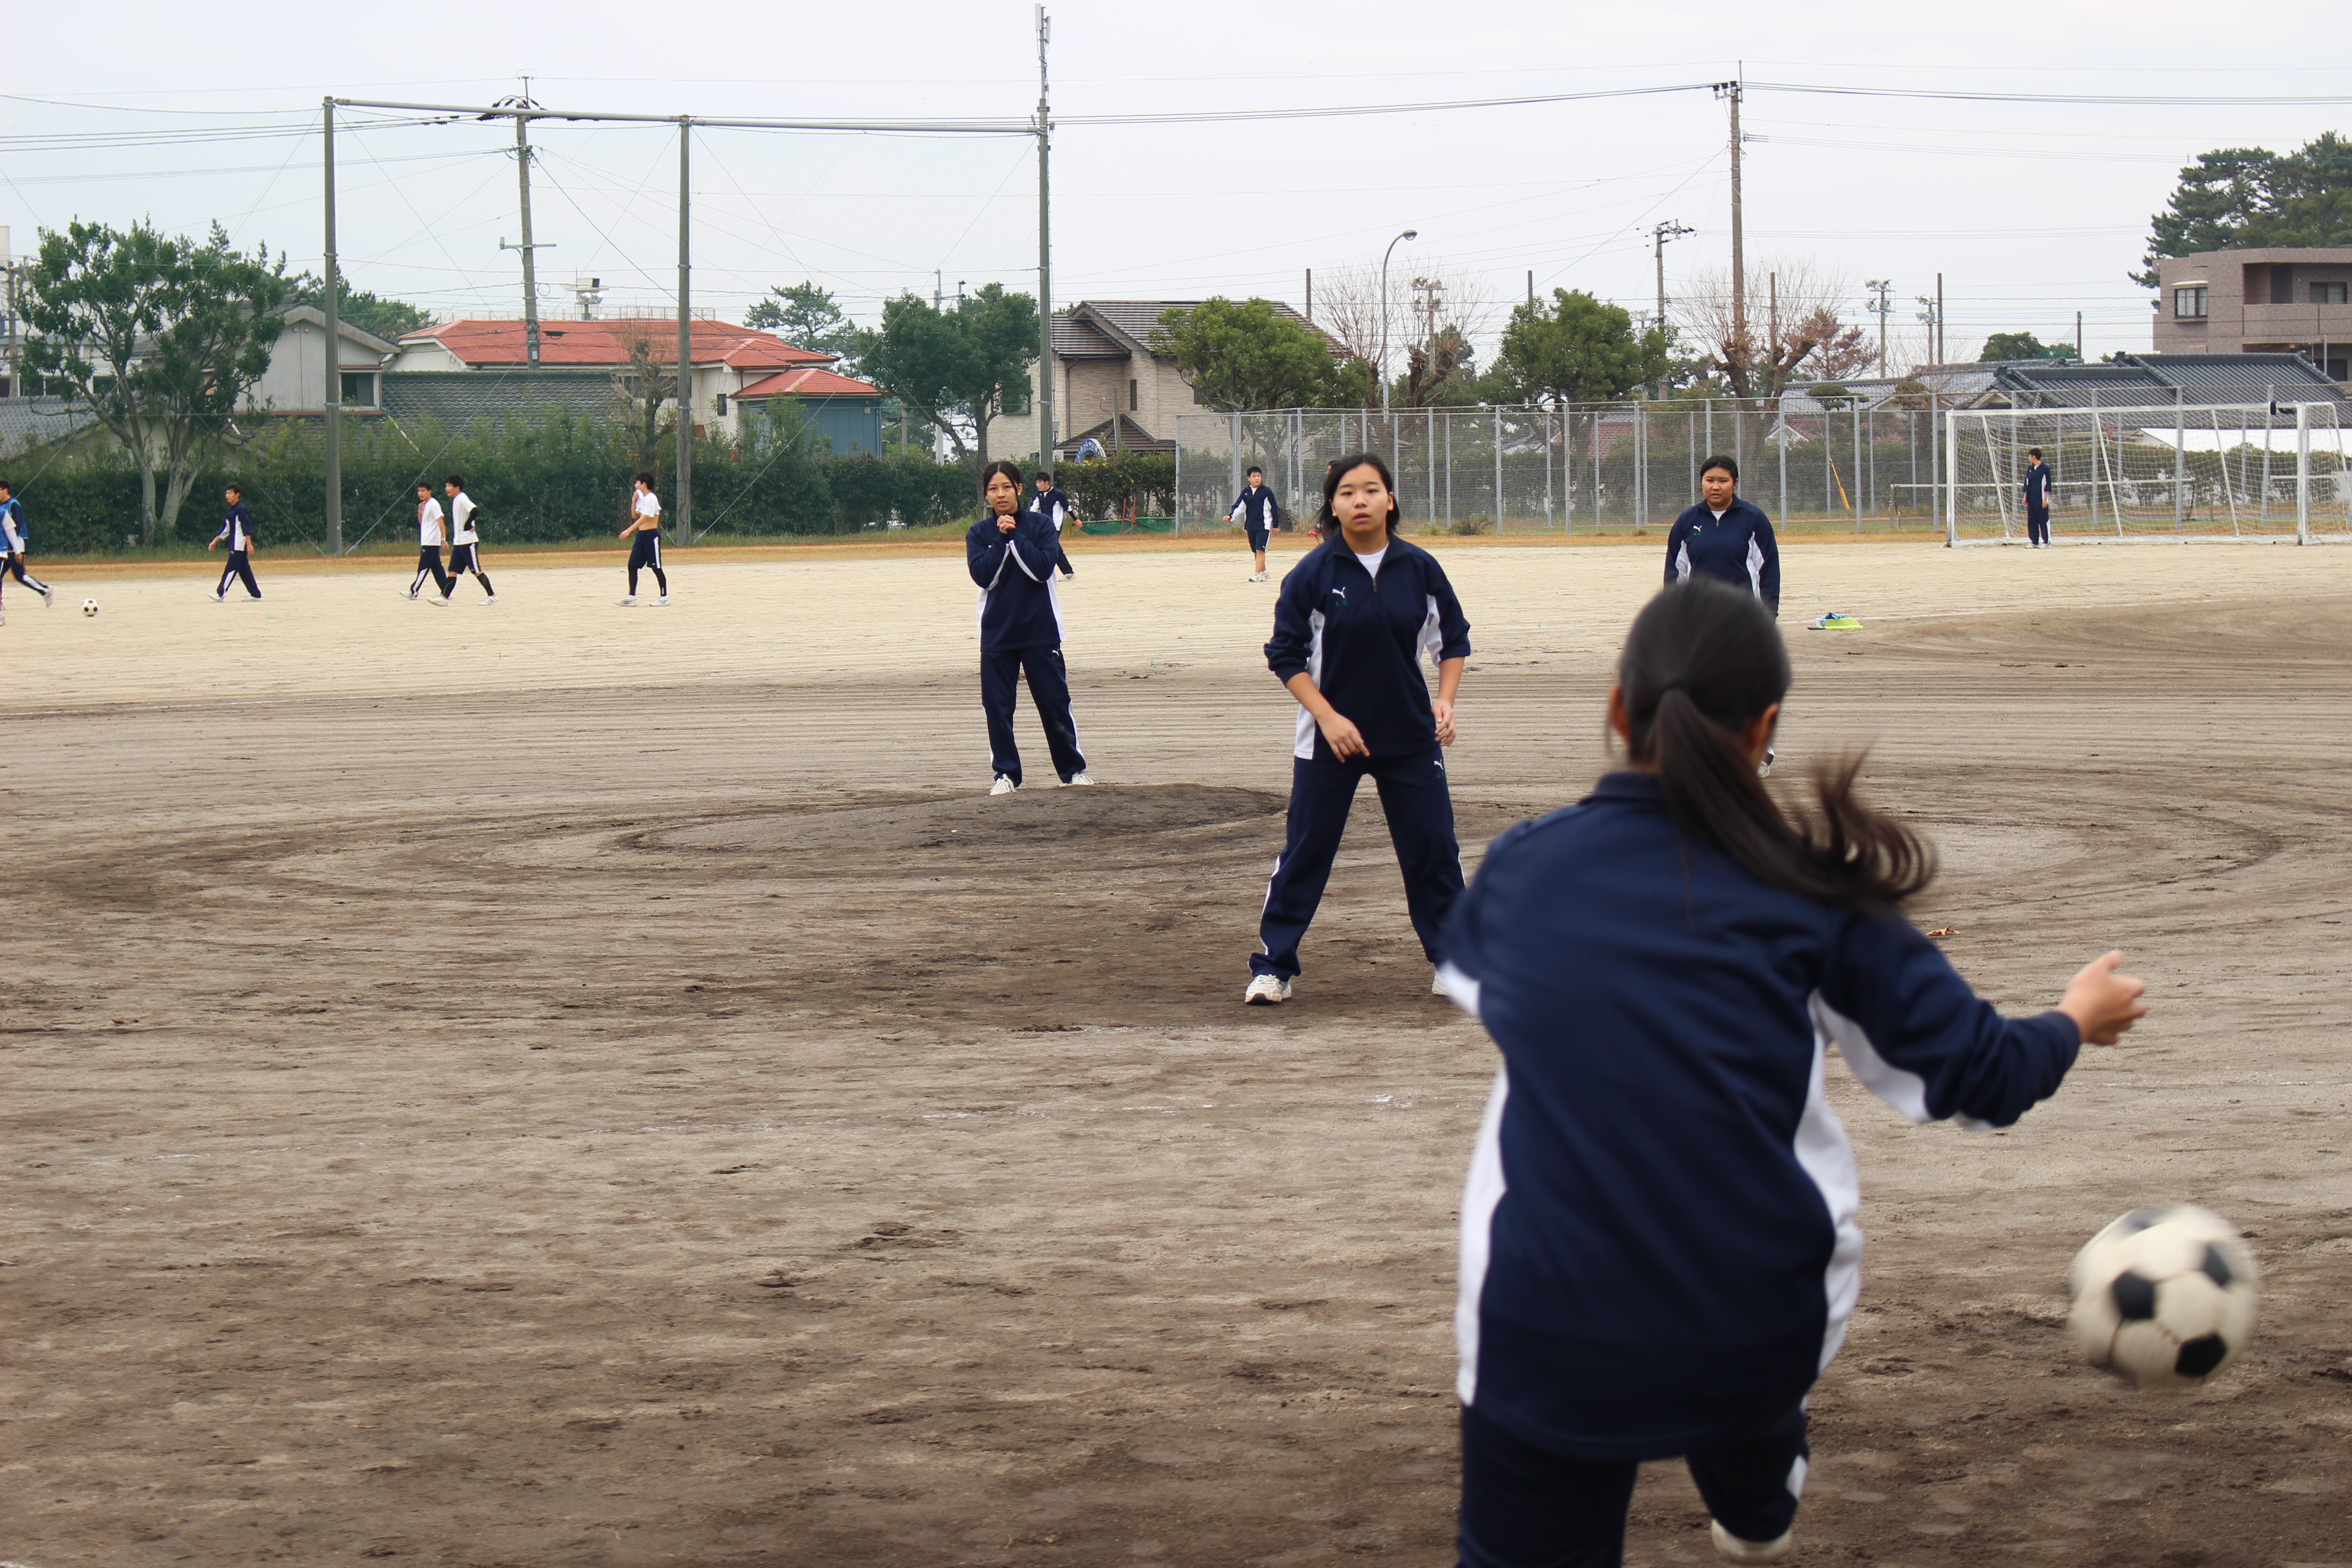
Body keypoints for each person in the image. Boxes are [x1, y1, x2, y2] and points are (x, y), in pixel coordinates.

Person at [1435, 578, 2147, 1568]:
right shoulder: (1810, 892)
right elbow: (1979, 1076)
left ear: (1614, 709)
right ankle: (1758, 1491)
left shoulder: (1523, 869)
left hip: (1546, 1328)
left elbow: (1471, 977)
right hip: (1752, 1319)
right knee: (1738, 1378)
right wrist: (2076, 1020)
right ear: (1766, 726)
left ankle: (1745, 1467)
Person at [1246, 452, 1470, 1005]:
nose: (1360, 500)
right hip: (1329, 740)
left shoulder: (1420, 569)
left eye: (1372, 490)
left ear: (1390, 500)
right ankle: (1274, 966)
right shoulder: (1314, 574)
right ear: (1333, 506)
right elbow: (1285, 655)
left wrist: (1444, 701)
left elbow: (1454, 641)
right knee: (1306, 850)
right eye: (1347, 492)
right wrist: (1327, 717)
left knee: (1434, 848)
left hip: (1410, 737)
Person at [967, 459, 1091, 795]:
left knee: (1054, 703)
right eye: (993, 489)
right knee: (997, 708)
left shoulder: (1040, 526)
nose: (1001, 494)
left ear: (1020, 489)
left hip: (1041, 631)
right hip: (998, 635)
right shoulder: (979, 533)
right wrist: (1000, 539)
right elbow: (984, 576)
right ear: (986, 495)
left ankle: (1073, 772)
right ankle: (1005, 776)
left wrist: (1014, 536)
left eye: (1007, 487)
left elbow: (1041, 569)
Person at [1665, 456, 1779, 616]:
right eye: (1710, 480)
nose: (1716, 487)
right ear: (1702, 482)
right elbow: (1675, 573)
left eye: (1723, 481)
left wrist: (1769, 615)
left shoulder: (1754, 518)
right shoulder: (1687, 520)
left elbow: (1768, 571)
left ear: (1735, 484)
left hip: (1744, 616)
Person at [0, 479, 57, 619]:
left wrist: (17, 548)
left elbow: (17, 527)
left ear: (5, 490)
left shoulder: (14, 505)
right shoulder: (4, 507)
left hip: (15, 545)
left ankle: (45, 590)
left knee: (20, 575)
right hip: (7, 547)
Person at [445, 473, 497, 602]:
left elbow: (475, 510)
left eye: (449, 486)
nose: (447, 489)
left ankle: (492, 596)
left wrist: (468, 524)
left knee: (476, 571)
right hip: (459, 543)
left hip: (468, 542)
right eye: (446, 486)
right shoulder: (456, 500)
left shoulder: (462, 498)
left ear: (457, 488)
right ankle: (444, 597)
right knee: (452, 571)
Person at [618, 471, 668, 606]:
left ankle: (664, 597)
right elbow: (636, 515)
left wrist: (629, 530)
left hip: (651, 536)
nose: (635, 485)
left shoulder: (651, 498)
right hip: (641, 536)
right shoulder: (642, 499)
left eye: (637, 483)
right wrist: (634, 501)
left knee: (656, 567)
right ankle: (632, 596)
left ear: (644, 484)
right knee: (633, 565)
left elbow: (645, 517)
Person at [206, 483, 262, 601]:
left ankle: (221, 594)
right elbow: (226, 529)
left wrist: (249, 544)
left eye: (231, 493)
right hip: (234, 545)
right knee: (244, 570)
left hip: (239, 545)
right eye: (227, 493)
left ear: (238, 495)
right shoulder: (231, 510)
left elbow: (247, 527)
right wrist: (215, 541)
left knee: (231, 569)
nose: (228, 496)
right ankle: (256, 595)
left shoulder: (241, 509)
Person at [1228, 465, 1283, 582]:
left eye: (1259, 476)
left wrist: (1276, 525)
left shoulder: (1267, 492)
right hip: (1251, 526)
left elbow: (1274, 509)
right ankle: (1264, 572)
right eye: (1254, 476)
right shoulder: (1246, 492)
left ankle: (1257, 573)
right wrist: (1231, 516)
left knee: (1260, 550)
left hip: (1264, 526)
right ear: (1249, 478)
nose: (1257, 478)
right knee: (1255, 551)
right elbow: (1240, 507)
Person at [406, 482, 453, 606]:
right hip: (426, 541)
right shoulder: (425, 506)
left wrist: (444, 539)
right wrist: (420, 511)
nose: (420, 494)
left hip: (432, 542)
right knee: (437, 567)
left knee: (424, 567)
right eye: (419, 491)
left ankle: (413, 591)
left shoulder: (433, 504)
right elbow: (422, 522)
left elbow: (441, 521)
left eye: (423, 491)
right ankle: (446, 591)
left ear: (429, 492)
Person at [1032, 469, 1077, 579]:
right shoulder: (1040, 495)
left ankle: (1068, 573)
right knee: (1051, 548)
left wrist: (1075, 519)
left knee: (1053, 547)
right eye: (1037, 482)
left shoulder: (1058, 494)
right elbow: (1033, 510)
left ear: (1047, 483)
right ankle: (1067, 572)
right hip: (1045, 526)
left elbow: (1068, 507)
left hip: (1055, 526)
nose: (1038, 485)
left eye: (1040, 482)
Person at [2022, 447, 2055, 549]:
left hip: (2041, 499)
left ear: (2034, 457)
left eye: (2030, 456)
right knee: (2032, 520)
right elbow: (2027, 484)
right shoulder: (2030, 469)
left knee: (2043, 519)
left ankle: (2047, 541)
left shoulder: (2045, 469)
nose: (2029, 458)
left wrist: (2045, 499)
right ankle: (2034, 542)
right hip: (2032, 499)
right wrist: (2025, 497)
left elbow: (2048, 485)